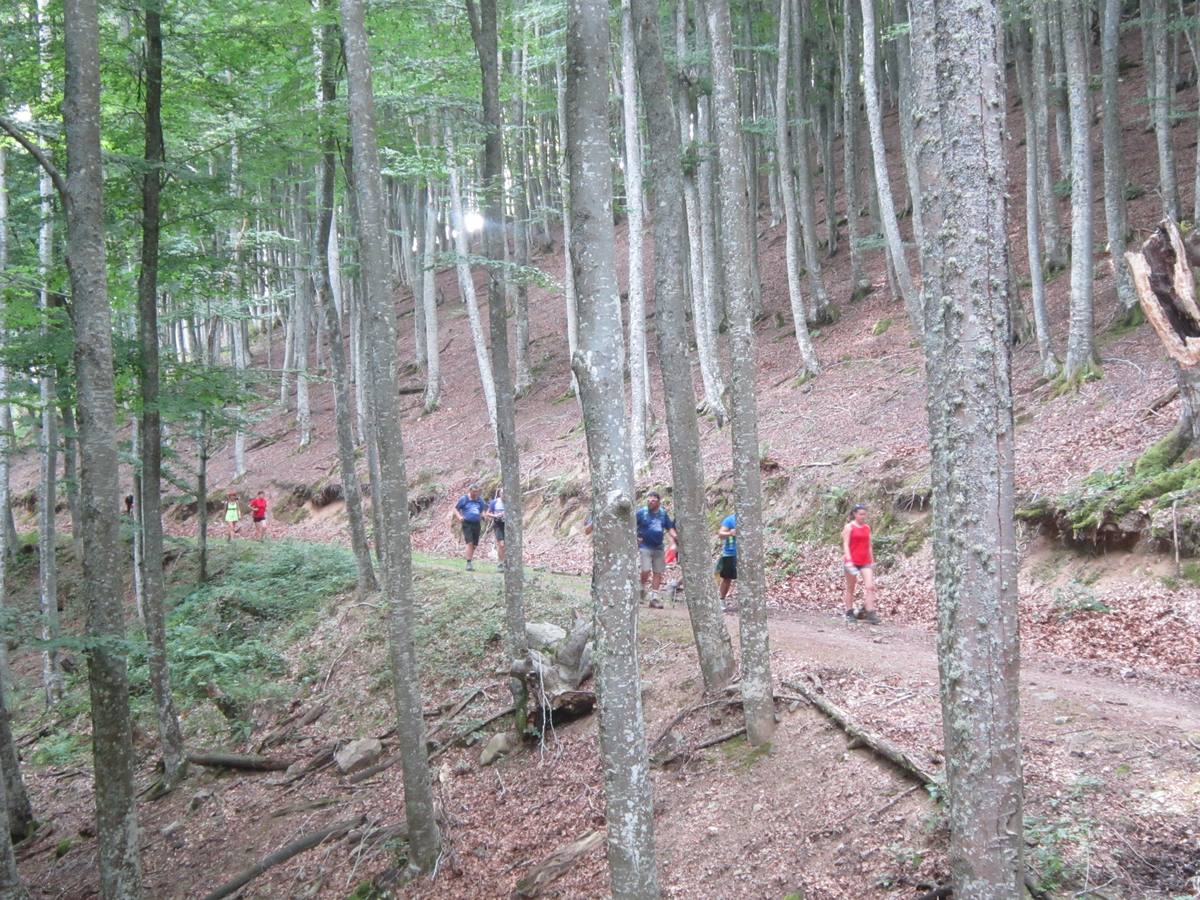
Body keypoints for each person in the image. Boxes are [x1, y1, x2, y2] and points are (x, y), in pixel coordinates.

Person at [635, 491, 676, 608]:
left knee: (658, 572)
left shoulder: (663, 514)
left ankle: (654, 598)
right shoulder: (641, 513)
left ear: (658, 502)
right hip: (645, 547)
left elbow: (669, 528)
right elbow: (632, 525)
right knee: (646, 569)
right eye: (648, 500)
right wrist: (636, 537)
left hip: (658, 547)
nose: (650, 503)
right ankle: (641, 588)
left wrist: (676, 538)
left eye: (653, 501)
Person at [842, 504, 880, 624]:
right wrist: (848, 560)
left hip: (865, 561)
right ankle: (849, 612)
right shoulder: (849, 527)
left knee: (870, 587)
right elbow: (845, 544)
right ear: (855, 514)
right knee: (851, 588)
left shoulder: (867, 527)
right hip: (852, 561)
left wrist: (872, 560)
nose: (863, 516)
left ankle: (870, 612)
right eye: (861, 514)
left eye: (865, 514)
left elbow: (869, 545)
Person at [454, 483, 488, 571]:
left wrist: (484, 516)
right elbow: (456, 509)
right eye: (474, 492)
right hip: (467, 523)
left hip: (477, 523)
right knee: (469, 543)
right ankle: (468, 563)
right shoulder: (464, 499)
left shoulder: (480, 500)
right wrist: (459, 517)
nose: (475, 494)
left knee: (475, 545)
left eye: (477, 492)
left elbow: (482, 510)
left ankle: (469, 559)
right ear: (470, 491)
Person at [717, 512, 738, 604]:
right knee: (727, 578)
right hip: (730, 553)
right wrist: (730, 533)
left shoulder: (751, 517)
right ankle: (721, 600)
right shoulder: (730, 519)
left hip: (747, 553)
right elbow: (720, 534)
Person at [485, 487, 506, 570]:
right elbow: (487, 513)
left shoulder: (511, 502)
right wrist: (496, 515)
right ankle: (500, 563)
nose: (504, 496)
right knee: (501, 544)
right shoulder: (495, 502)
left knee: (507, 545)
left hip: (509, 525)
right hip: (498, 524)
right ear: (500, 494)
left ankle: (505, 562)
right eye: (503, 494)